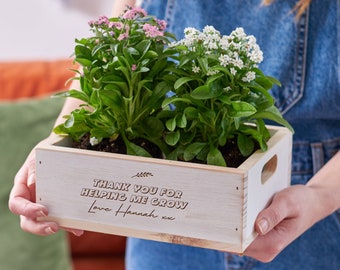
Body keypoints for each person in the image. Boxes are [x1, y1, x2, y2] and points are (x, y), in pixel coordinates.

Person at [8, 0, 340, 269]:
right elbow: (109, 47)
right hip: (164, 228)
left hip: (309, 220)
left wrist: (319, 197)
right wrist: (53, 155)